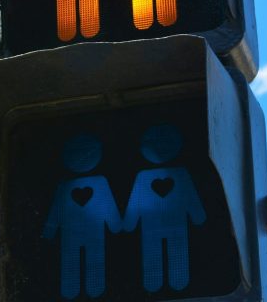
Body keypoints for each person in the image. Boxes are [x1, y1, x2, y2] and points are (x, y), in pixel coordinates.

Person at [122, 125, 206, 292]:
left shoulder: (179, 175)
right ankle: (157, 284)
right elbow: (135, 202)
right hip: (158, 227)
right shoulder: (145, 177)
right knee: (154, 256)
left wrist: (127, 224)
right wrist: (198, 217)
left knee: (175, 256)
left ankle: (171, 284)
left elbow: (190, 197)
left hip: (171, 227)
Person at [43, 134, 121, 298]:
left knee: (93, 263)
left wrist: (116, 225)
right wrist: (117, 225)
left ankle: (93, 290)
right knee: (72, 264)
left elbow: (108, 205)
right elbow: (56, 211)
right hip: (77, 235)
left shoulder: (98, 183)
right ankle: (79, 290)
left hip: (88, 234)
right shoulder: (66, 186)